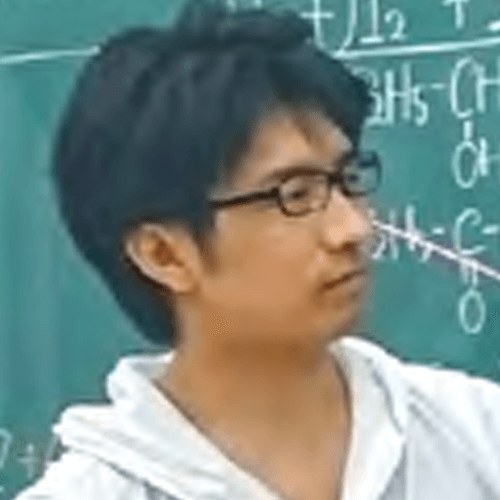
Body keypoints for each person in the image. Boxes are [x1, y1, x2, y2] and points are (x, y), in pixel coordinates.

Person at [14, 0, 500, 499]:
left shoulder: (474, 435)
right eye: (295, 195)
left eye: (348, 179)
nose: (353, 227)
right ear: (164, 255)